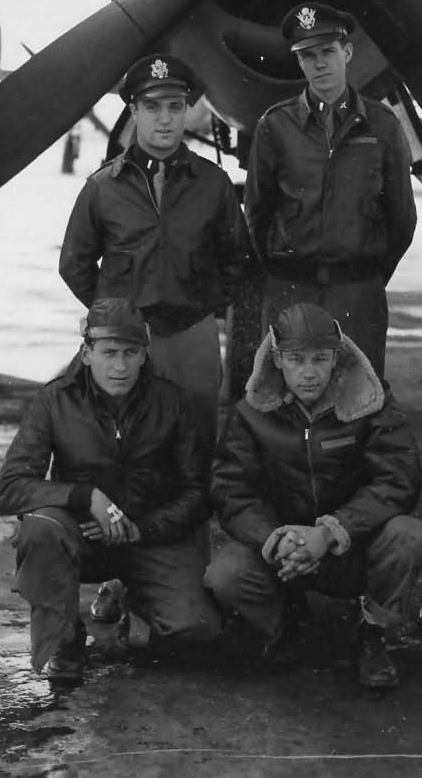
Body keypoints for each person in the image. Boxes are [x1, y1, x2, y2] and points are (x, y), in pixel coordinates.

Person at [59, 53, 251, 621]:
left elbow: (237, 263)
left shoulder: (213, 185)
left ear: (187, 111)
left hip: (189, 339)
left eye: (175, 107)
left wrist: (200, 307)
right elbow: (76, 264)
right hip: (125, 343)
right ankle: (116, 577)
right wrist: (112, 325)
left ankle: (183, 575)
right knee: (115, 455)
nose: (165, 120)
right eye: (152, 108)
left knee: (190, 459)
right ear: (133, 113)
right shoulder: (103, 188)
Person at [0, 298, 221, 680]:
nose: (119, 366)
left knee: (195, 628)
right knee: (39, 528)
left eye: (131, 353)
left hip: (148, 538)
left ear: (145, 354)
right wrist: (87, 497)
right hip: (84, 536)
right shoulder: (54, 400)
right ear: (86, 353)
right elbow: (12, 488)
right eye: (109, 352)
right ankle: (65, 637)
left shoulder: (172, 403)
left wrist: (143, 527)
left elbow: (197, 493)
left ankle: (137, 605)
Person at [205, 302, 422, 689]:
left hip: (348, 549)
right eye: (296, 360)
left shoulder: (371, 404)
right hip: (283, 551)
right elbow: (231, 489)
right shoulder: (250, 411)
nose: (308, 372)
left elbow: (398, 481)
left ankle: (373, 632)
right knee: (225, 574)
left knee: (407, 534)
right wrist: (275, 538)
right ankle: (283, 621)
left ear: (337, 359)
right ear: (277, 359)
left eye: (320, 359)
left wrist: (331, 532)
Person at [243, 3, 417, 377]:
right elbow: (256, 212)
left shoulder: (383, 126)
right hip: (291, 288)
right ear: (299, 63)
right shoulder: (275, 126)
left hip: (357, 291)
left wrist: (366, 276)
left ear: (347, 53)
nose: (320, 64)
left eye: (327, 52)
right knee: (286, 398)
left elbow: (401, 218)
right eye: (308, 56)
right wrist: (282, 272)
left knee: (358, 398)